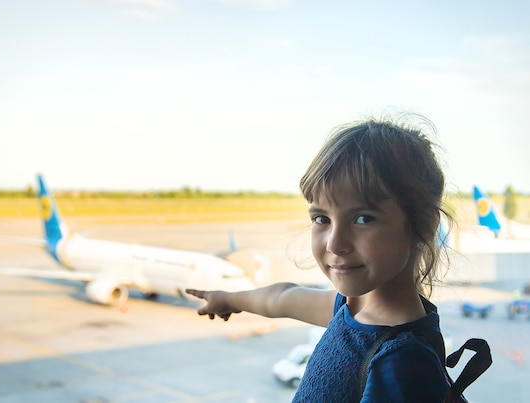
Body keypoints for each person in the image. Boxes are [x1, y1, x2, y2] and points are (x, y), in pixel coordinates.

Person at [186, 115, 454, 402]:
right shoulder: (350, 308)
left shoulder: (402, 362)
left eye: (363, 218)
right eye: (321, 218)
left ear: (423, 226)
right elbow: (283, 297)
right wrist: (229, 299)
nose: (335, 244)